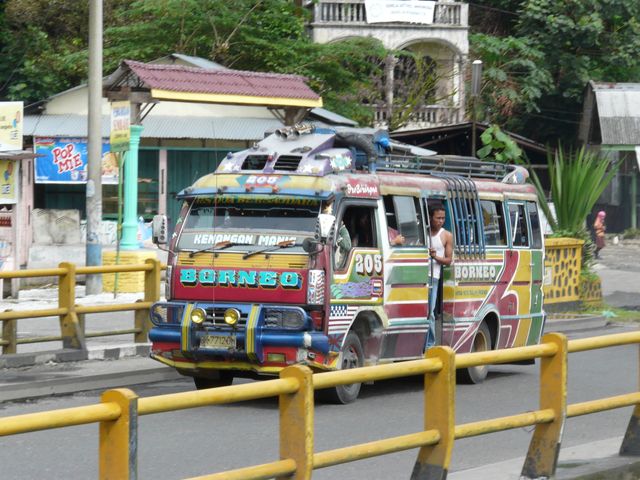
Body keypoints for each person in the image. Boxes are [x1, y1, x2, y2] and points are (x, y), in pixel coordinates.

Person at [426, 204, 453, 349]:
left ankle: (430, 345)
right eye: (438, 218)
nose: (441, 221)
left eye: (443, 218)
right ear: (430, 218)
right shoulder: (423, 231)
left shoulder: (446, 235)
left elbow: (448, 260)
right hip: (419, 276)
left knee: (430, 312)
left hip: (433, 278)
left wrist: (435, 257)